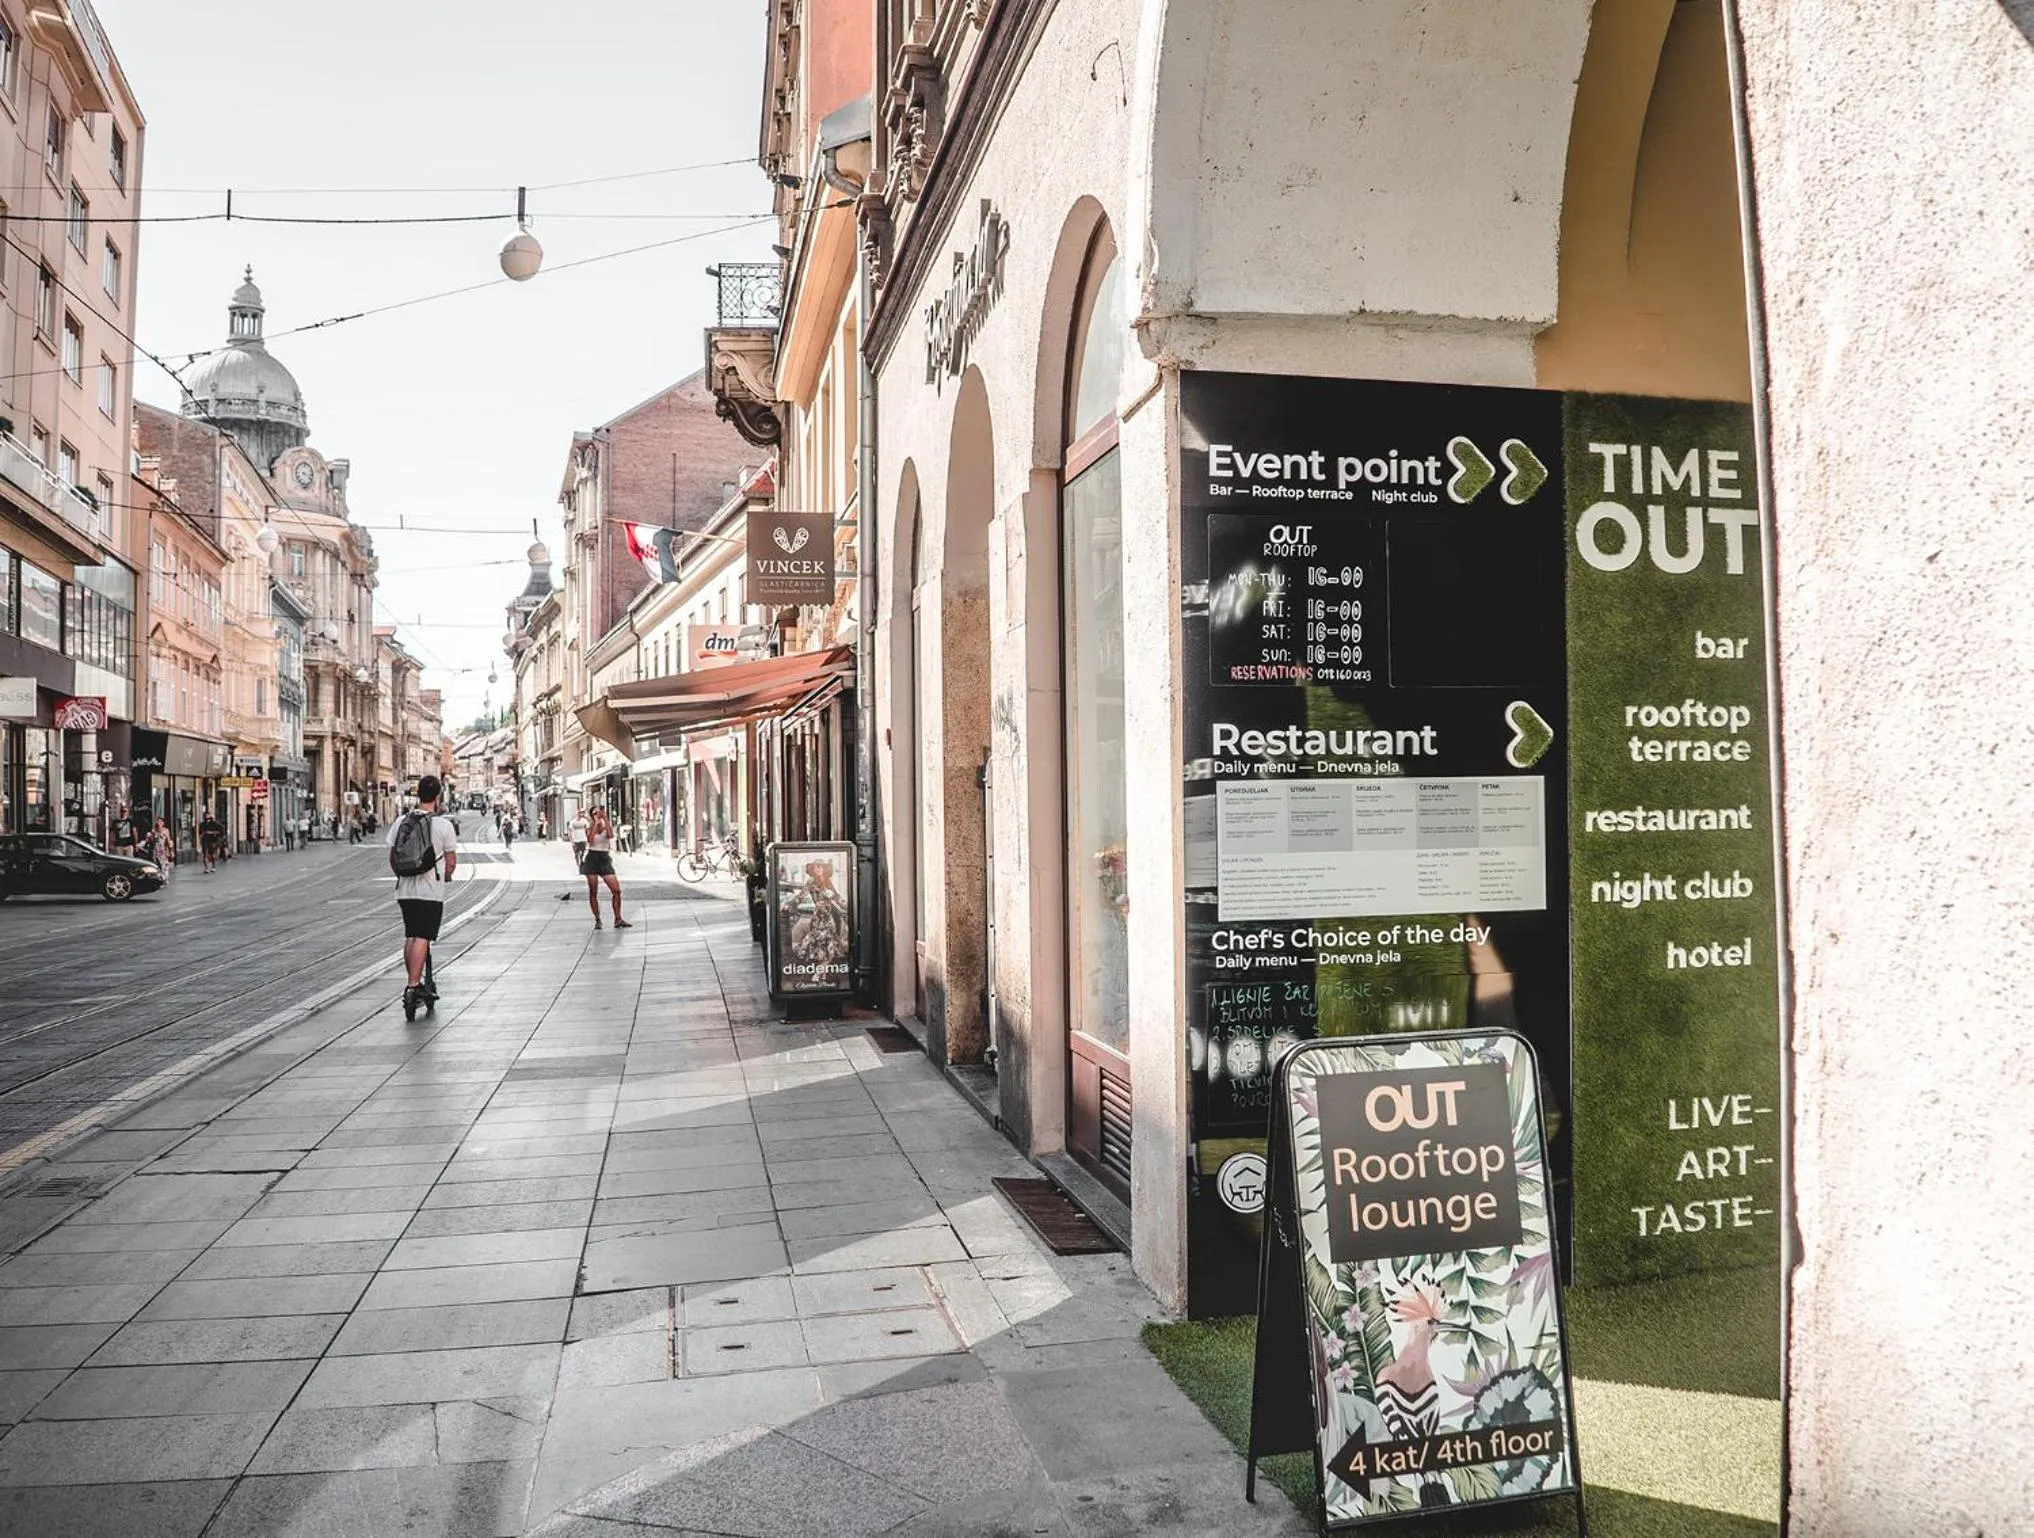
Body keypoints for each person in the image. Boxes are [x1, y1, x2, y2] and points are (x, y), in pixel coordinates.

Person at [387, 773, 458, 1018]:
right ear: (438, 796)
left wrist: (404, 874)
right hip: (430, 891)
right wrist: (447, 875)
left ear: (418, 794)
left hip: (405, 890)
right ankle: (413, 986)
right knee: (423, 938)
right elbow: (450, 862)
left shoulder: (400, 822)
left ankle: (413, 982)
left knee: (411, 935)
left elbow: (392, 858)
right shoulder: (443, 825)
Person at [581, 807, 629, 928]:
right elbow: (590, 840)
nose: (598, 814)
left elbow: (610, 835)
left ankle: (618, 918)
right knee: (593, 891)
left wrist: (605, 819)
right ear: (592, 815)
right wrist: (596, 823)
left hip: (604, 858)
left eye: (600, 812)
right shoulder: (589, 826)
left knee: (616, 890)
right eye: (595, 813)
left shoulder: (606, 824)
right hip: (592, 857)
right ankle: (597, 919)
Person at [148, 816, 176, 882]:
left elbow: (168, 841)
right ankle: (159, 880)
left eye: (160, 822)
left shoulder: (166, 830)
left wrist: (171, 851)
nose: (158, 823)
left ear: (163, 823)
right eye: (157, 821)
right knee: (156, 866)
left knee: (164, 866)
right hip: (155, 851)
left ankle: (165, 879)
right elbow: (150, 842)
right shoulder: (153, 831)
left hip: (163, 850)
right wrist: (150, 837)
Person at [199, 809, 225, 873]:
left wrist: (211, 833)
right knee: (204, 854)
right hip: (204, 840)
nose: (207, 819)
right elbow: (200, 833)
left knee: (211, 854)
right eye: (205, 817)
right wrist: (201, 839)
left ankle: (213, 866)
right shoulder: (202, 824)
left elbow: (221, 830)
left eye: (208, 818)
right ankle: (206, 868)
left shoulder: (214, 824)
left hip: (212, 840)